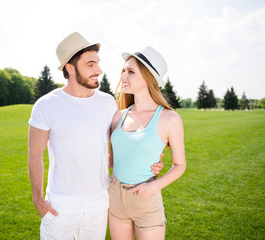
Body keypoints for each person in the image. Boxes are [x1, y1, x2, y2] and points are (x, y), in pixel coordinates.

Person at [28, 32, 163, 240]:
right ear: (70, 68)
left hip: (99, 206)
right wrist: (38, 198)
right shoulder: (45, 105)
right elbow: (35, 153)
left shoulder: (108, 103)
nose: (99, 70)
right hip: (59, 208)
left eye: (98, 63)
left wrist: (151, 162)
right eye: (90, 65)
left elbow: (120, 148)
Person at [108, 46, 186, 240]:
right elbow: (111, 160)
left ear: (148, 77)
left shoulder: (170, 119)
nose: (123, 77)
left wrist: (153, 186)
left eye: (131, 72)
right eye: (123, 71)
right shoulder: (118, 116)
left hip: (146, 200)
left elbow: (180, 165)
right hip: (115, 197)